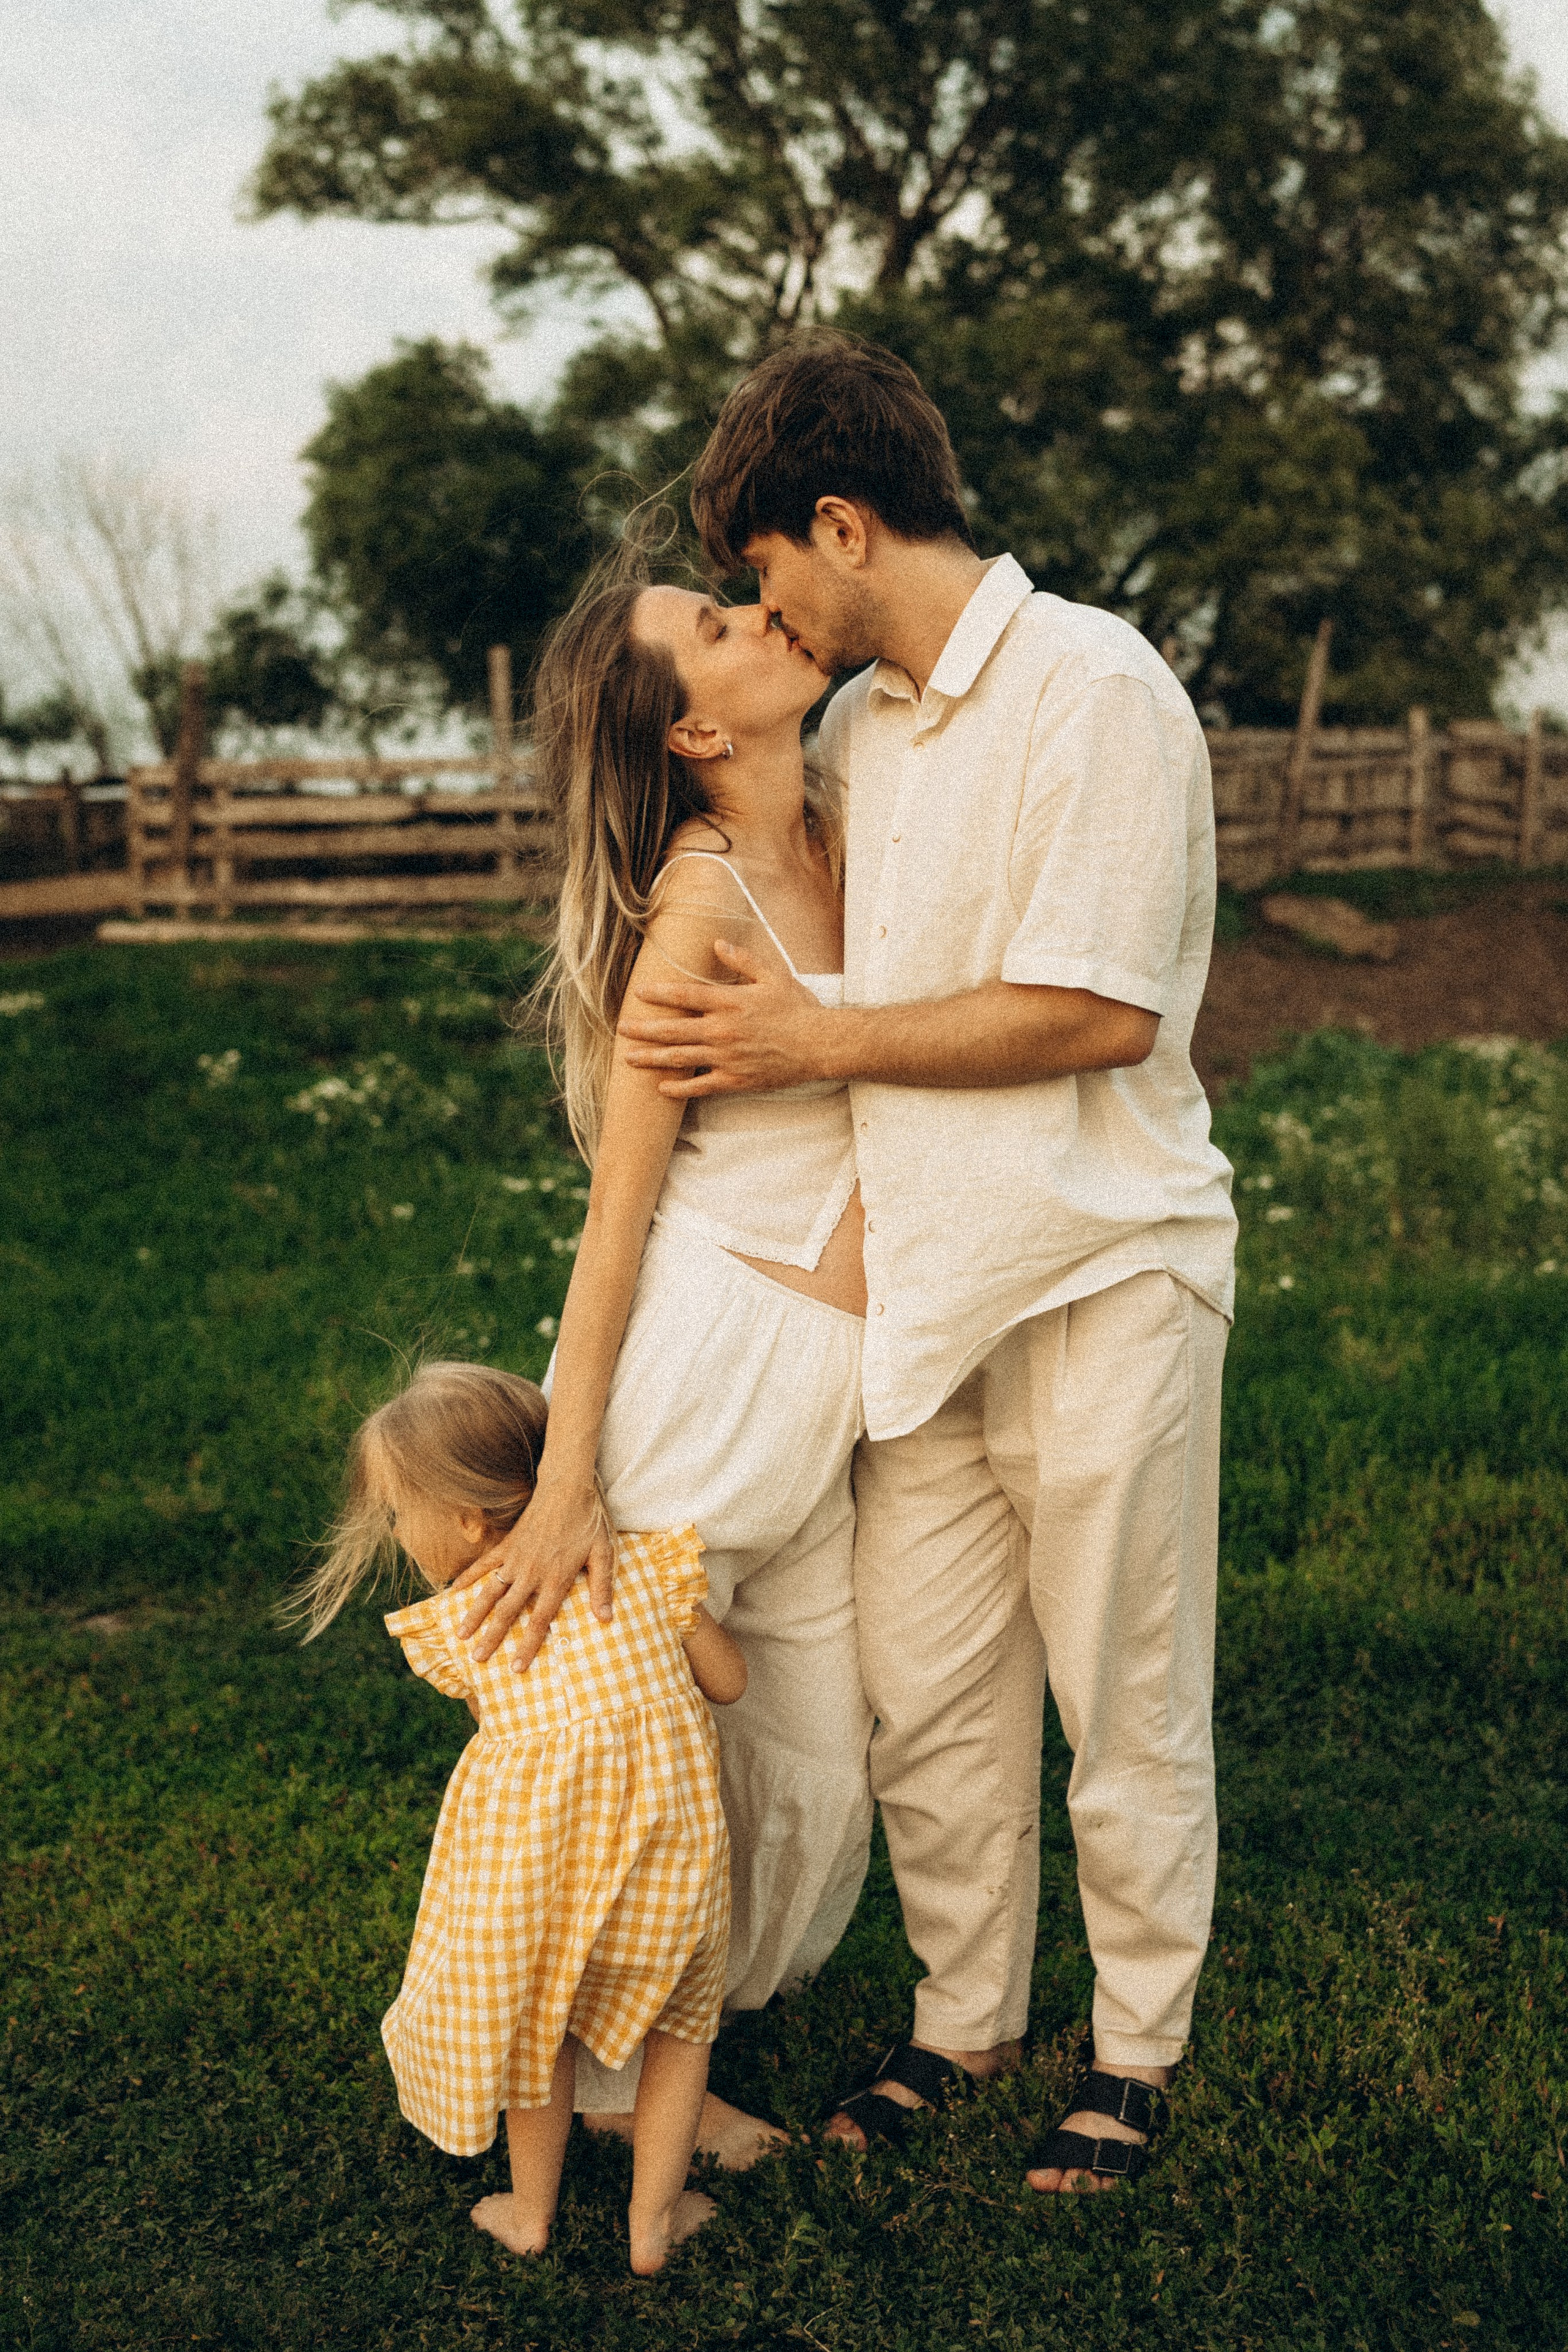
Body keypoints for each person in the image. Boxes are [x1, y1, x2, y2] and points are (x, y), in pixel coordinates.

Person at [617, 334, 1240, 2193]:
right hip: (929, 1306)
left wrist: (813, 1052)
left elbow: (1097, 1011)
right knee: (930, 1701)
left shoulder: (1092, 686)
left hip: (1100, 1268)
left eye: (765, 569)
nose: (766, 607)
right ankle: (962, 2022)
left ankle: (1133, 2051)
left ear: (840, 521)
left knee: (1123, 1697)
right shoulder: (869, 731)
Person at [449, 548, 875, 2164]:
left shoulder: (854, 827)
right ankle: (610, 2080)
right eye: (718, 628)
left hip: (829, 1394)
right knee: (624, 1747)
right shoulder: (700, 903)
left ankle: (692, 2015)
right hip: (713, 1372)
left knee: (817, 1756)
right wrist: (570, 1476)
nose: (760, 615)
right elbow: (615, 1220)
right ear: (696, 735)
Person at [293, 1359, 746, 2274]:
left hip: (541, 1895)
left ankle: (530, 2211)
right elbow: (730, 1684)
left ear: (466, 1520)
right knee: (682, 2035)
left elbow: (510, 1738)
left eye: (397, 1513)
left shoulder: (468, 1626)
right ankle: (652, 2226)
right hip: (672, 1878)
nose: (395, 1532)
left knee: (537, 2042)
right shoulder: (651, 1567)